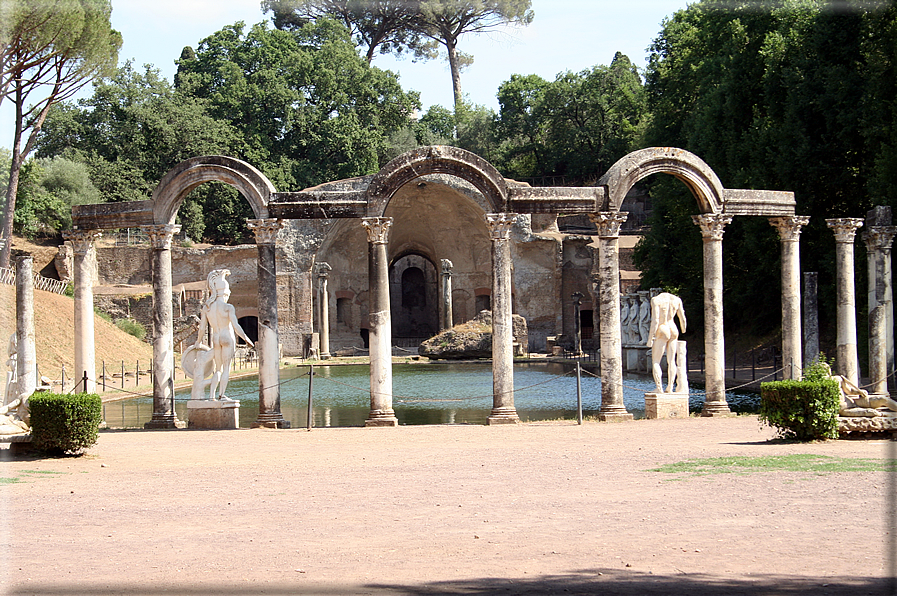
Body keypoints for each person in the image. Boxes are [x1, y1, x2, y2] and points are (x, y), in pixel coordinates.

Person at [185, 270, 254, 401]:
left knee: (218, 369)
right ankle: (222, 395)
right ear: (226, 293)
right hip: (227, 336)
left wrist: (198, 342)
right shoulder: (228, 307)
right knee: (226, 368)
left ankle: (212, 397)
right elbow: (236, 326)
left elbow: (202, 328)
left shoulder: (207, 308)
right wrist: (246, 338)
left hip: (216, 338)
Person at [646, 292, 687, 394]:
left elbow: (655, 321)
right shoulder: (677, 300)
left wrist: (650, 338)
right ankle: (670, 387)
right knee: (671, 360)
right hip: (673, 328)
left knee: (656, 361)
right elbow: (682, 318)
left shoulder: (656, 300)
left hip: (662, 328)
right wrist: (683, 329)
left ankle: (659, 388)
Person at [821, 363, 897, 417]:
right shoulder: (819, 384)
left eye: (826, 370)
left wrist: (859, 392)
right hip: (843, 408)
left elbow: (849, 391)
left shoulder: (837, 379)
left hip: (853, 401)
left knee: (882, 399)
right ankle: (884, 416)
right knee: (872, 413)